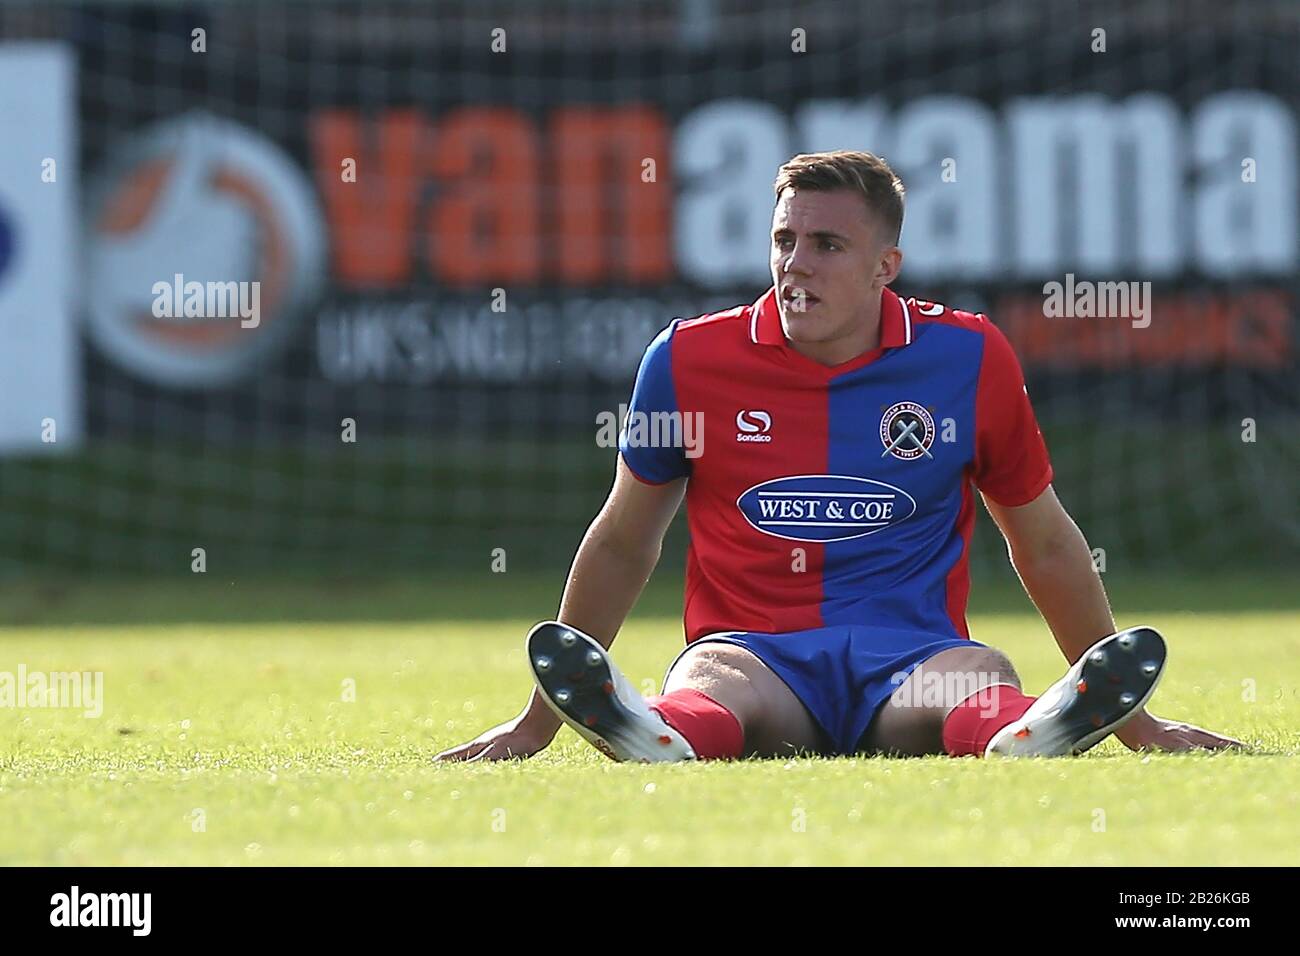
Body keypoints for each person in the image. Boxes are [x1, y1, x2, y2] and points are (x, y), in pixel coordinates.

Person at [437, 150, 1242, 764]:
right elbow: (623, 538)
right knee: (709, 686)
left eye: (827, 245)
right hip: (755, 654)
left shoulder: (968, 359)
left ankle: (1036, 727)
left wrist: (1137, 725)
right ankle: (652, 731)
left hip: (912, 657)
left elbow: (1044, 540)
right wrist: (536, 723)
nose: (797, 265)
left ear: (885, 267)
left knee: (977, 674)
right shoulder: (684, 361)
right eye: (784, 241)